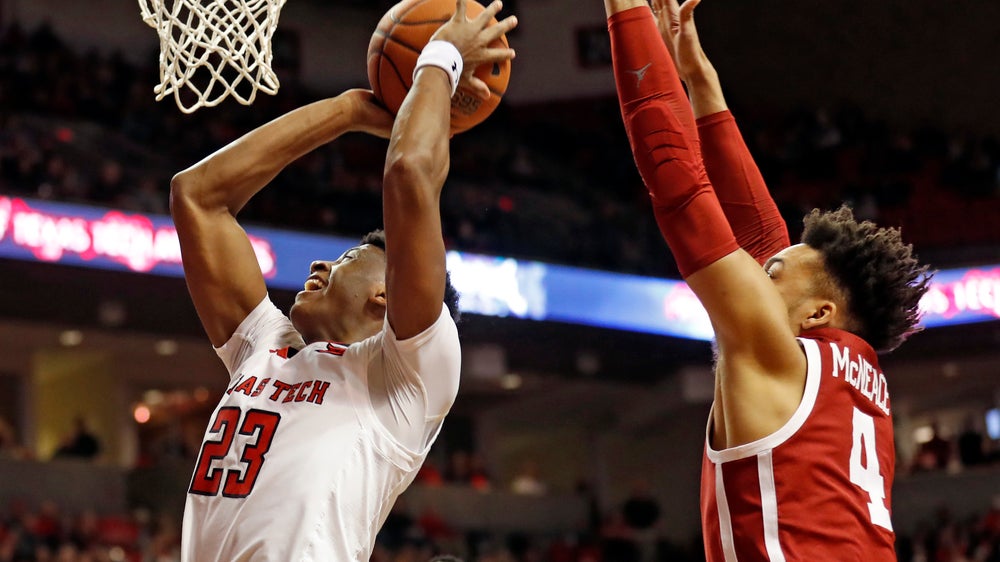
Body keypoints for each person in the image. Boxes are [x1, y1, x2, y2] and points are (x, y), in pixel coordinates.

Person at [168, 1, 517, 559]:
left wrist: (441, 56)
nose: (320, 267)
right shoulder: (265, 349)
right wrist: (345, 111)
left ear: (387, 292)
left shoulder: (409, 375)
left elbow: (408, 173)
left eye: (351, 255)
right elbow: (197, 197)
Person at [602, 0, 932, 560]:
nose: (755, 273)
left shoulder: (784, 359)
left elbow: (680, 186)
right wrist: (699, 80)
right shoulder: (854, 382)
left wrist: (624, 12)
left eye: (770, 275)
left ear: (818, 312)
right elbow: (759, 235)